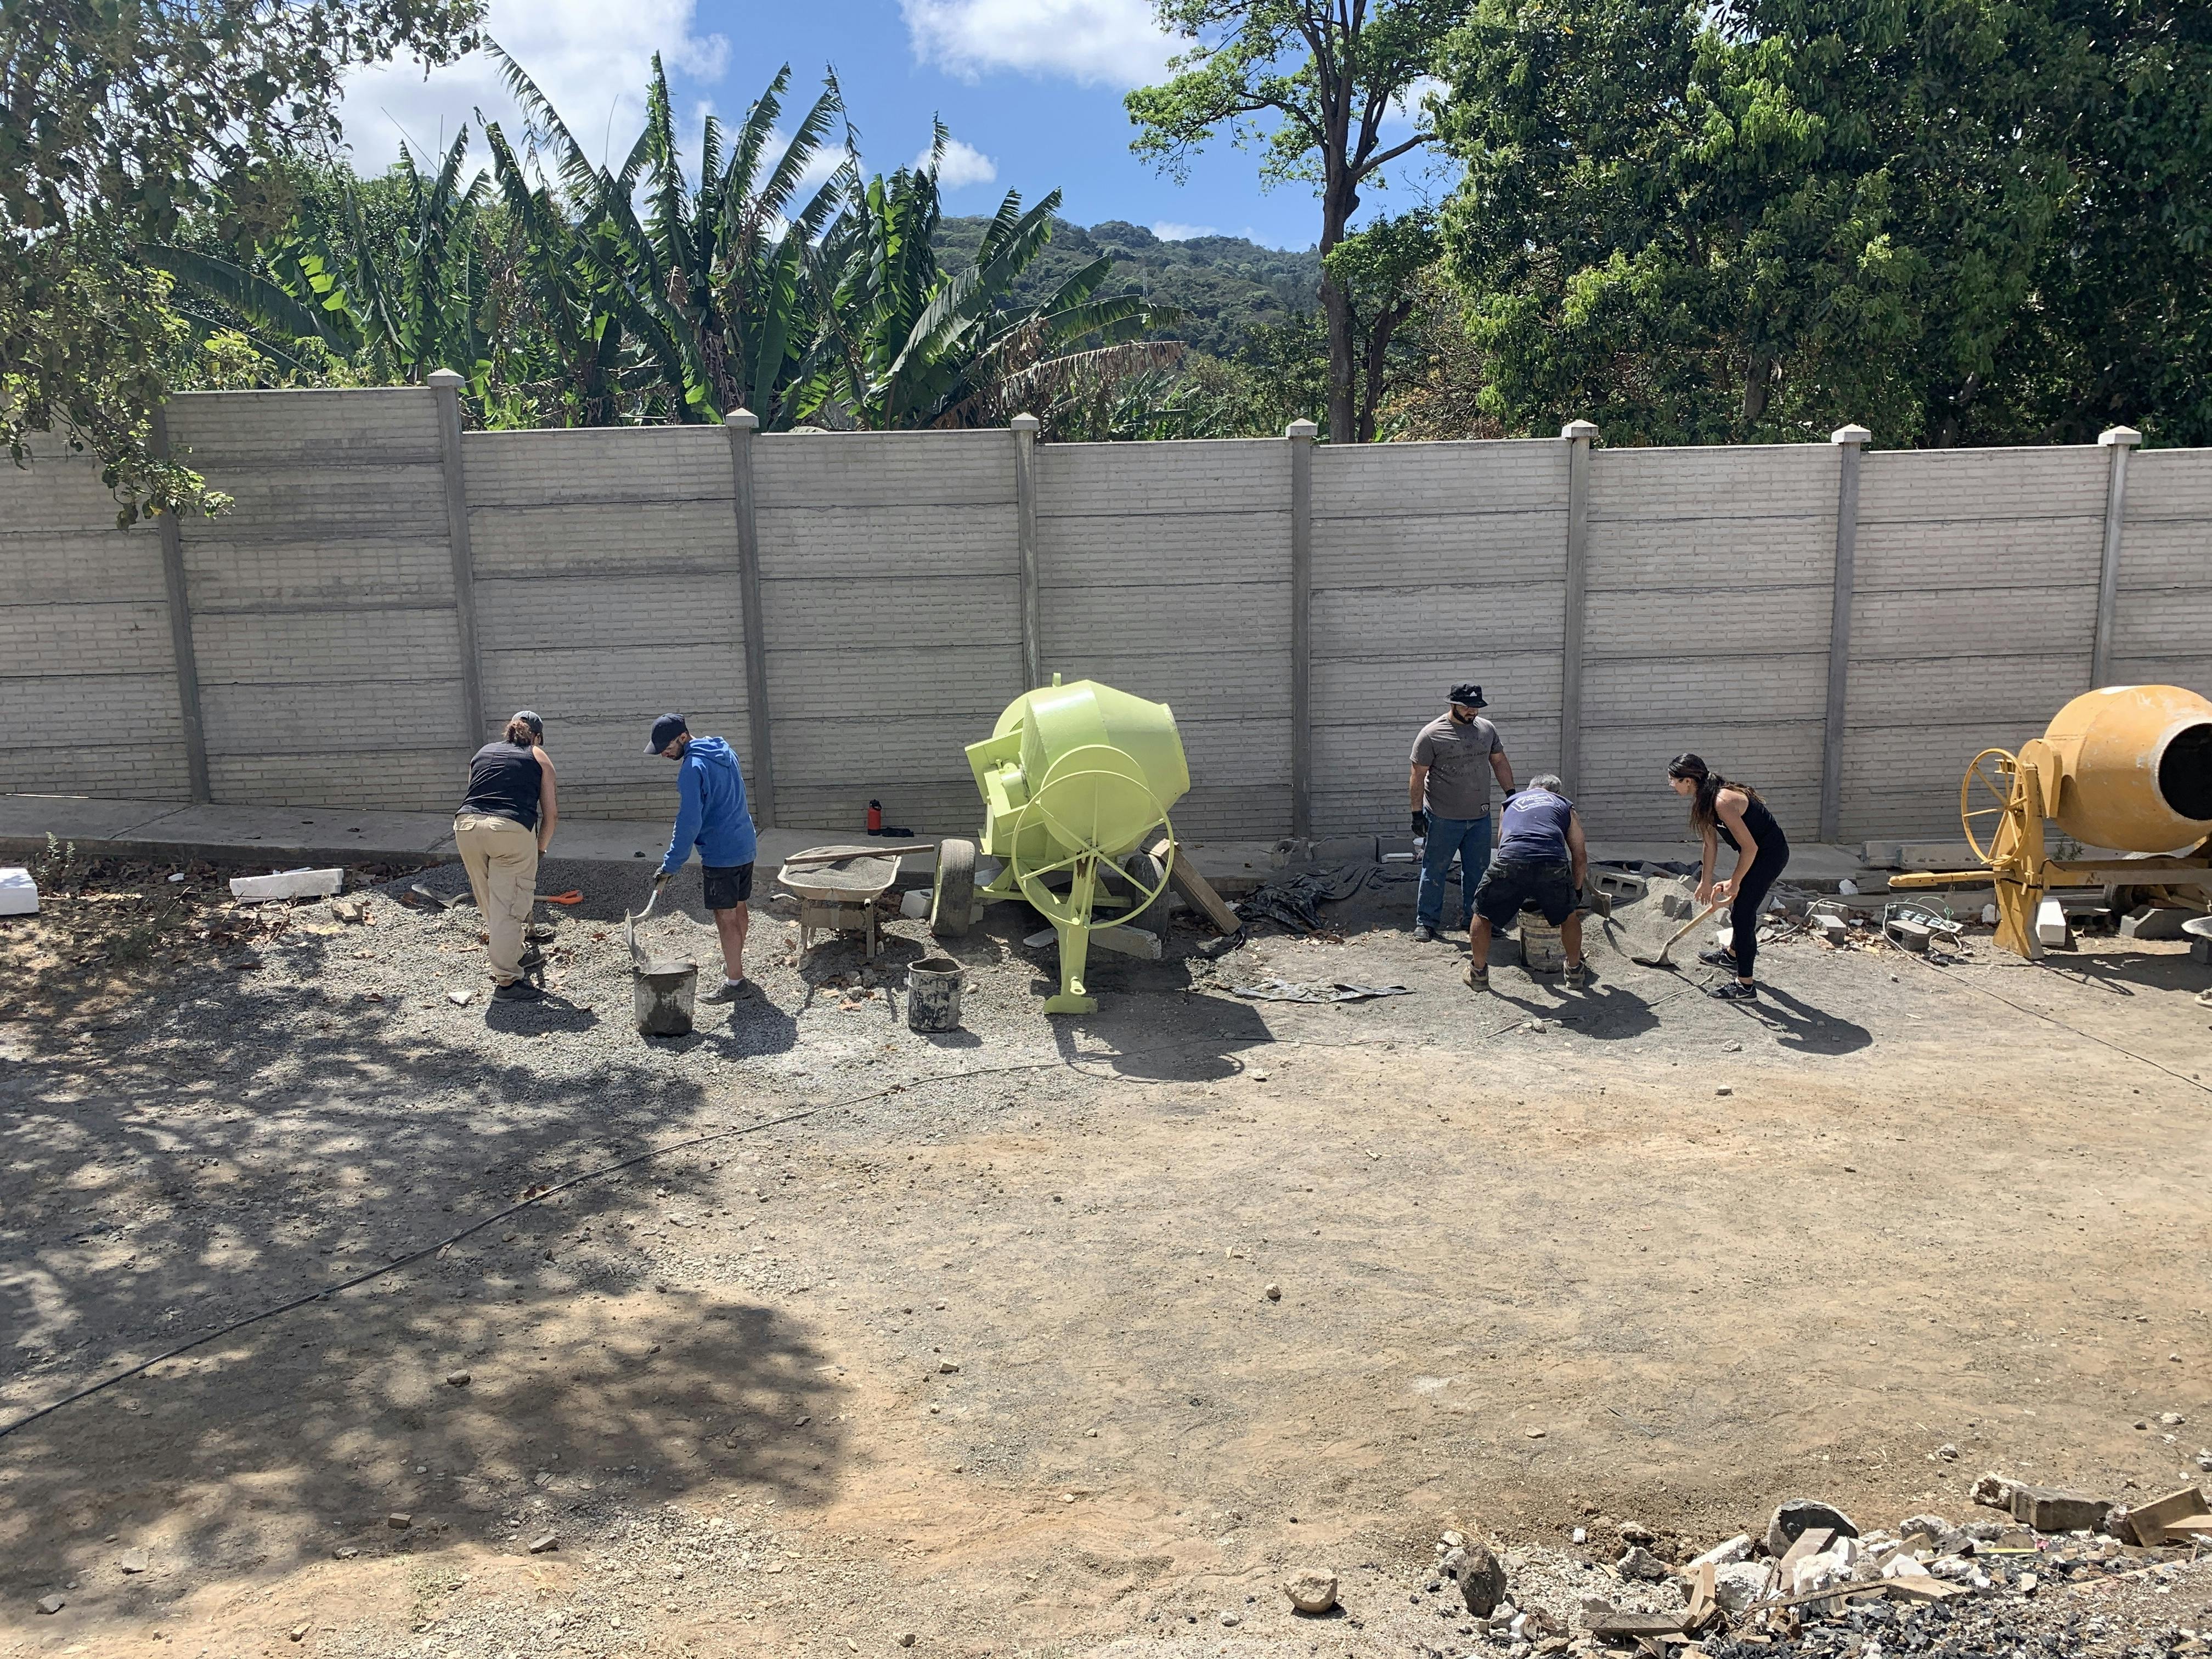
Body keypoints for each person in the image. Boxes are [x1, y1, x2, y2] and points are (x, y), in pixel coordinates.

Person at [648, 712, 759, 1003]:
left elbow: (689, 822)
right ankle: (735, 964)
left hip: (721, 852)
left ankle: (735, 983)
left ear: (683, 737)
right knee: (739, 906)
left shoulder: (692, 768)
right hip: (745, 842)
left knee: (725, 917)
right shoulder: (725, 751)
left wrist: (671, 864)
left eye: (667, 747)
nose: (664, 753)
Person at [454, 710, 558, 1002]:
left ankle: (514, 955)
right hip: (509, 830)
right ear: (536, 736)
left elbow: (476, 792)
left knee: (490, 901)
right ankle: (507, 983)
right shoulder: (538, 756)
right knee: (511, 907)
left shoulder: (483, 753)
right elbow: (551, 815)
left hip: (466, 826)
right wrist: (539, 850)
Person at [1668, 753, 1790, 1001]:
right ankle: (1732, 955)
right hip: (1755, 854)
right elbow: (1709, 845)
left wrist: (1735, 882)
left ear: (1689, 781)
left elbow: (1751, 848)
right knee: (1741, 907)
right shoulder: (1704, 800)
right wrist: (1706, 880)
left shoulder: (1722, 800)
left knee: (1743, 913)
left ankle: (1745, 986)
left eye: (1673, 780)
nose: (1671, 785)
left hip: (1769, 855)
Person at [1409, 682, 1516, 942]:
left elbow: (1499, 761)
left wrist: (1512, 796)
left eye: (1476, 707)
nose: (1472, 712)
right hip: (1443, 817)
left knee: (1479, 871)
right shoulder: (1432, 734)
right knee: (1435, 869)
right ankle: (1426, 921)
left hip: (1479, 816)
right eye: (1467, 707)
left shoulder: (1486, 730)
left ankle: (1476, 920)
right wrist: (1416, 814)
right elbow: (1418, 774)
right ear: (1453, 704)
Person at [1464, 773, 1589, 993]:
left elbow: (1503, 844)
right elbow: (1579, 855)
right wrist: (1576, 892)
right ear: (1556, 792)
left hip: (1511, 859)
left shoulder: (1511, 802)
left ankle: (1478, 974)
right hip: (1552, 862)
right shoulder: (1564, 805)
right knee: (1569, 916)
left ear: (1531, 788)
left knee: (1482, 913)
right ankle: (1575, 972)